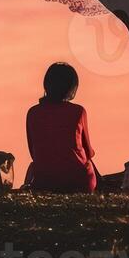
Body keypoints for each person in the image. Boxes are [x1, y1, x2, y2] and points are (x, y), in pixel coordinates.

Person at [25, 62, 98, 193]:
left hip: (45, 181)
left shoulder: (33, 112)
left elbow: (33, 152)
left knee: (32, 167)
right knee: (88, 165)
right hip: (77, 182)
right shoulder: (78, 112)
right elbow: (88, 152)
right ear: (72, 87)